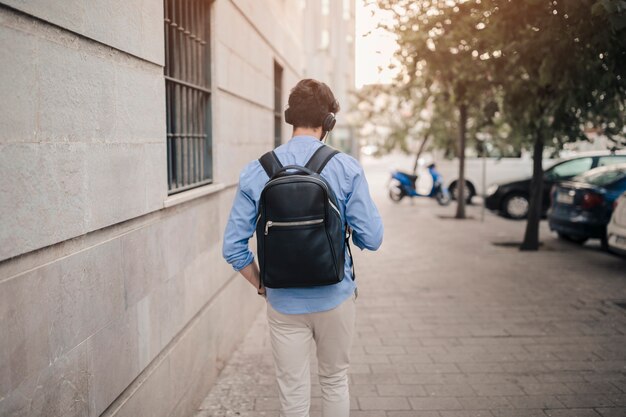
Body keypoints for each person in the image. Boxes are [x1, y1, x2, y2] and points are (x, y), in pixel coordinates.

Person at [222, 78, 383, 417]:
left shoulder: (257, 170)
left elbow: (233, 248)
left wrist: (263, 285)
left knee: (293, 392)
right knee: (335, 380)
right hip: (336, 295)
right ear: (329, 122)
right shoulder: (345, 167)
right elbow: (373, 238)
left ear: (290, 118)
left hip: (283, 303)